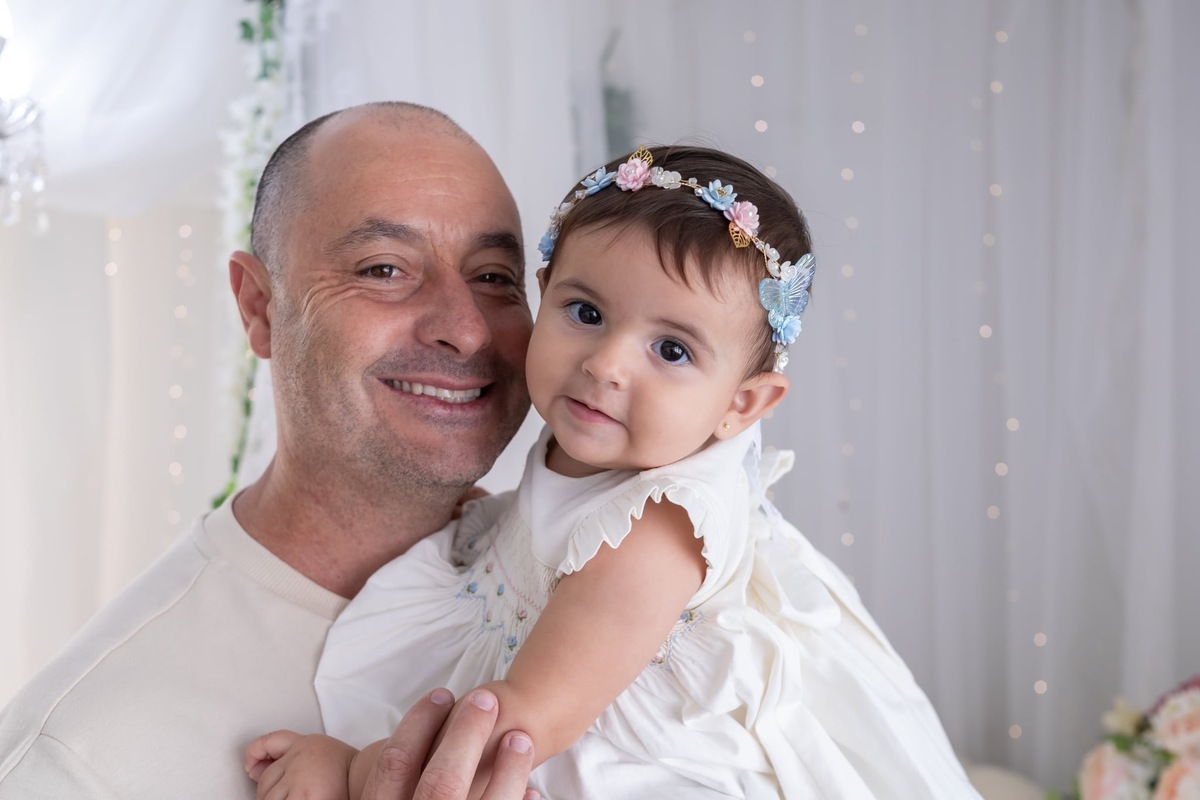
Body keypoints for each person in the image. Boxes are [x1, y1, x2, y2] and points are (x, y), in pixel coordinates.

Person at [245, 146, 984, 799]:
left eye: (671, 351)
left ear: (742, 404)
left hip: (634, 754)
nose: (607, 365)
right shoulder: (600, 465)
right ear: (543, 294)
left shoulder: (657, 526)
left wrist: (352, 769)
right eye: (587, 313)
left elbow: (523, 725)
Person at [0, 102, 540, 799]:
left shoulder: (603, 587)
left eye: (494, 276)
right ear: (260, 307)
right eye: (383, 269)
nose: (465, 329)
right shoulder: (82, 756)